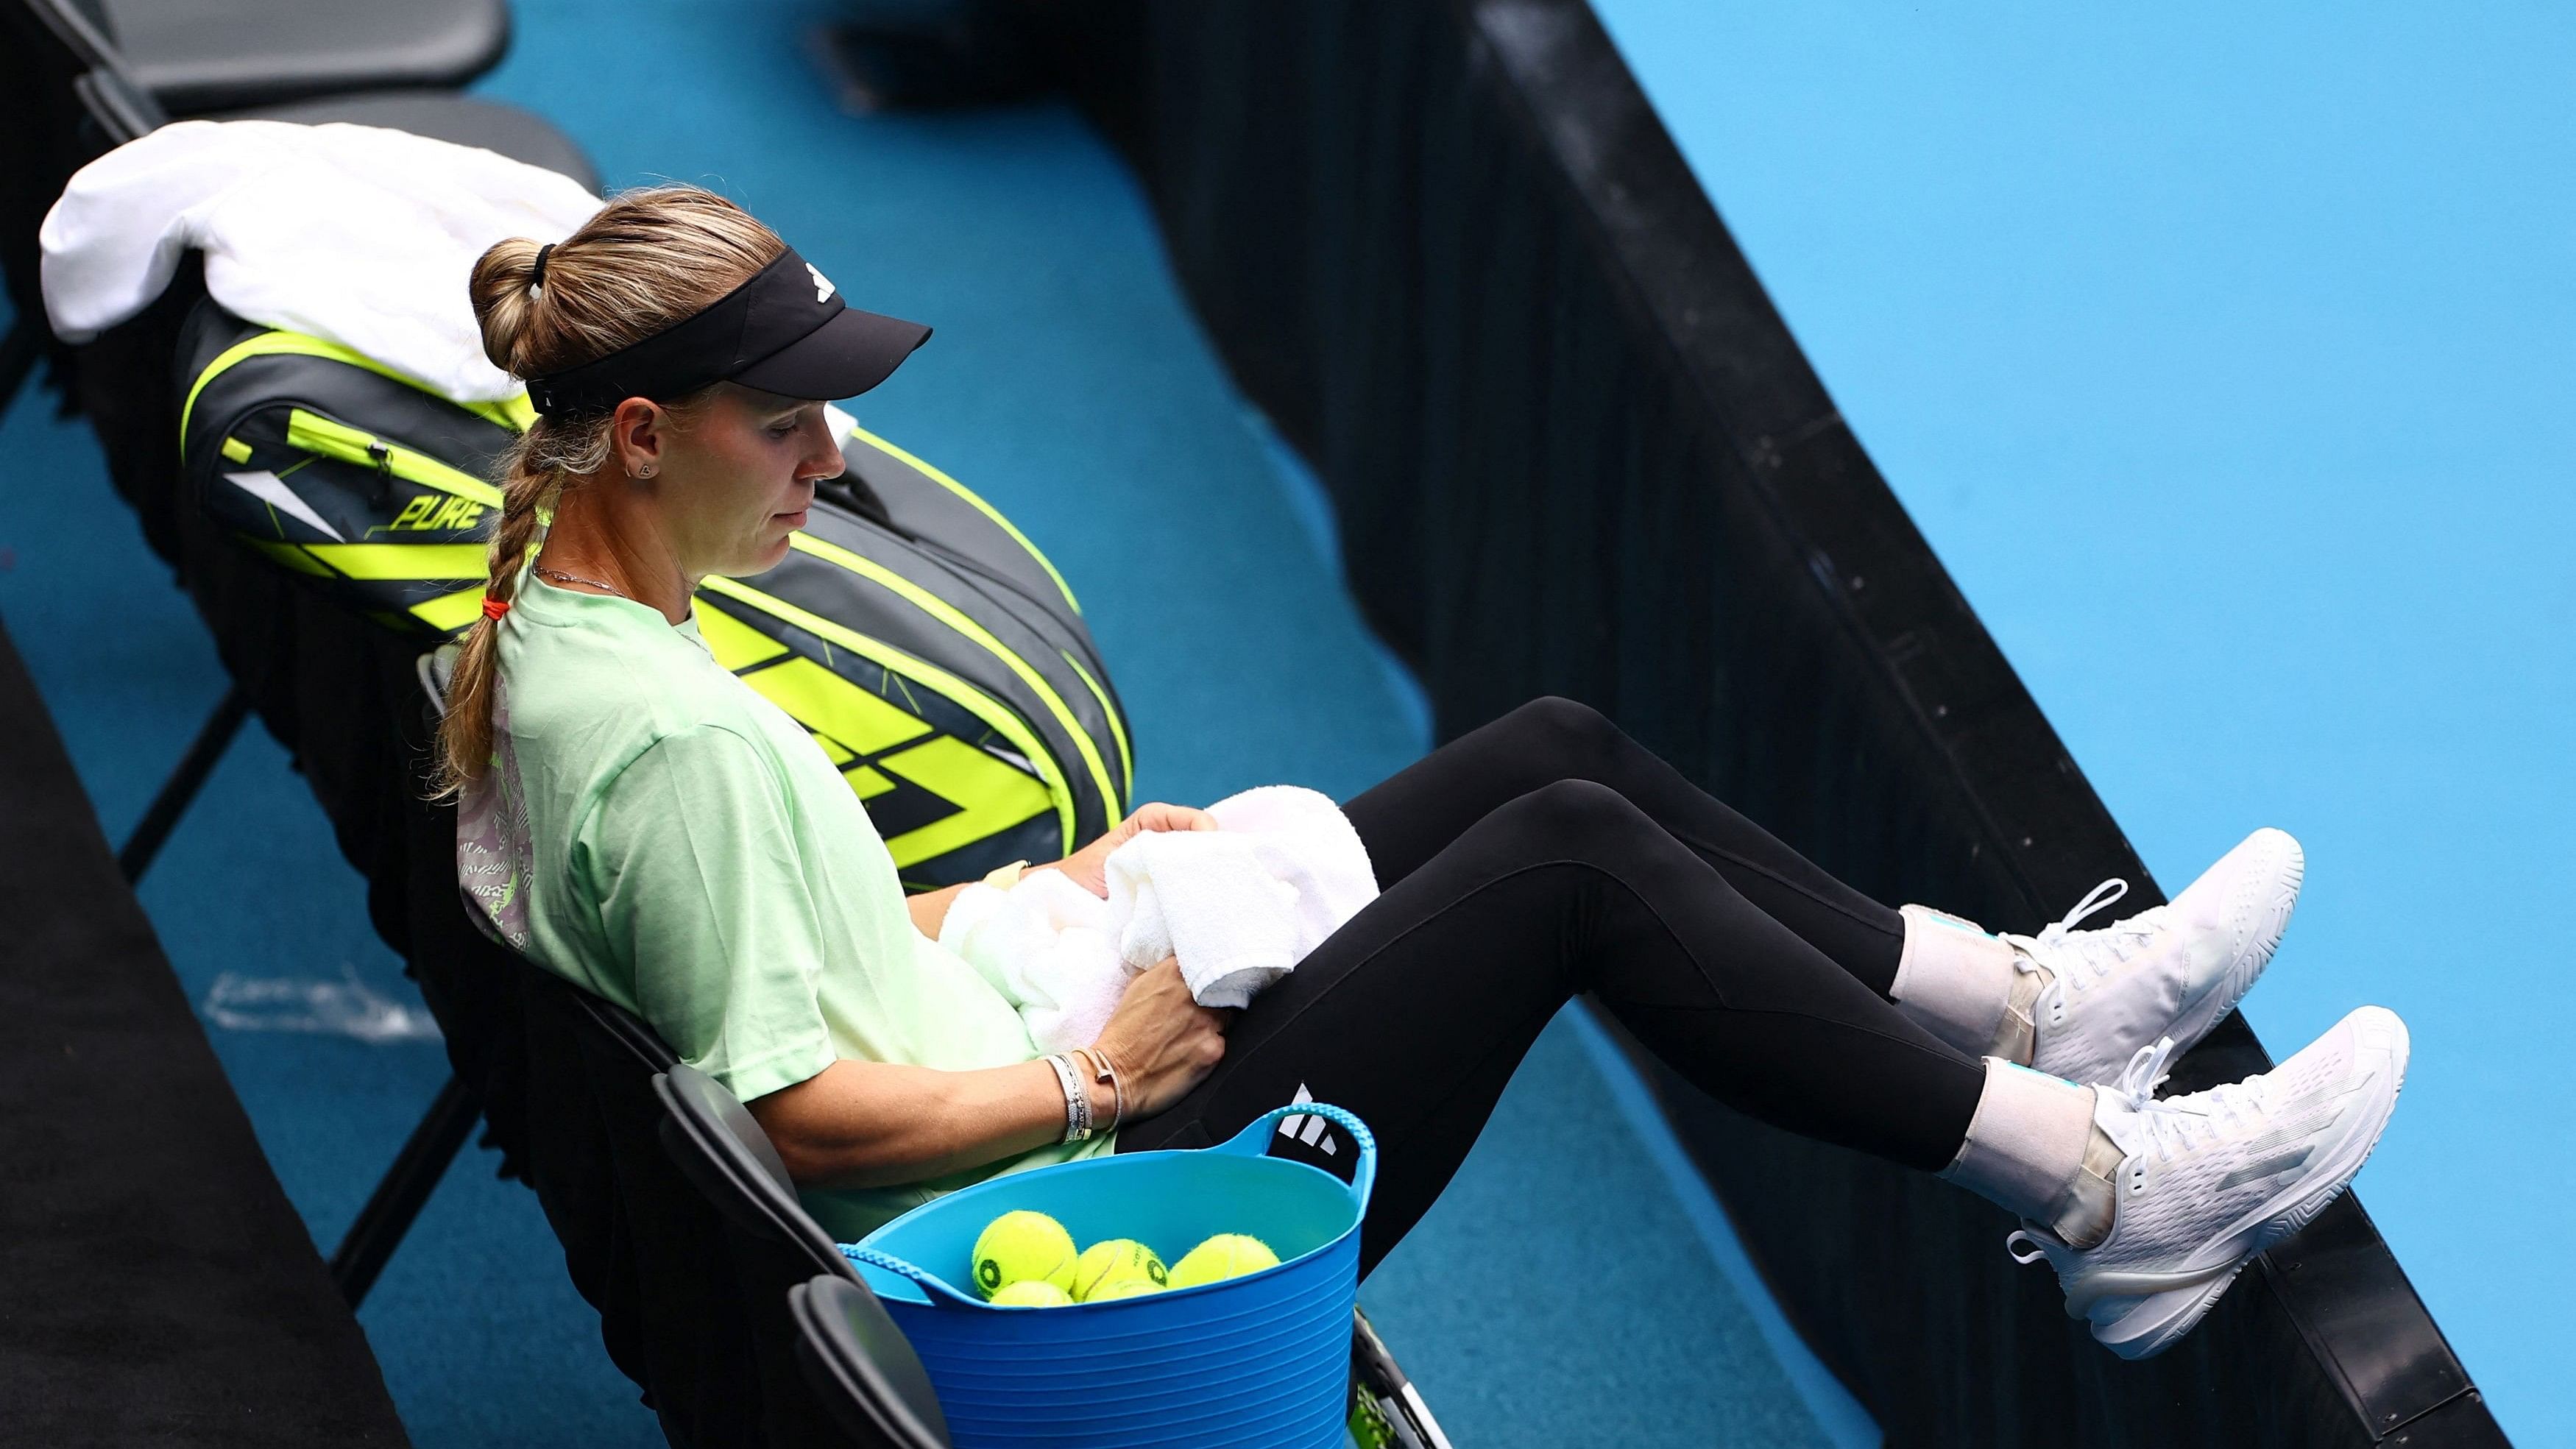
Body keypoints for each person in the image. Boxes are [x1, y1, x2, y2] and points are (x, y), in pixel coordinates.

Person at [443, 186, 2407, 1363]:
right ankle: (2098, 1189)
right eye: (788, 428)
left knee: (1547, 749)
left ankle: (2035, 1008)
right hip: (1087, 1209)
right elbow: (793, 1120)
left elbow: (767, 951)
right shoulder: (672, 736)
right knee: (1562, 858)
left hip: (1022, 1061)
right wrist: (1091, 1075)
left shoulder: (553, 635)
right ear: (636, 432)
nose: (830, 465)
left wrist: (1042, 883)